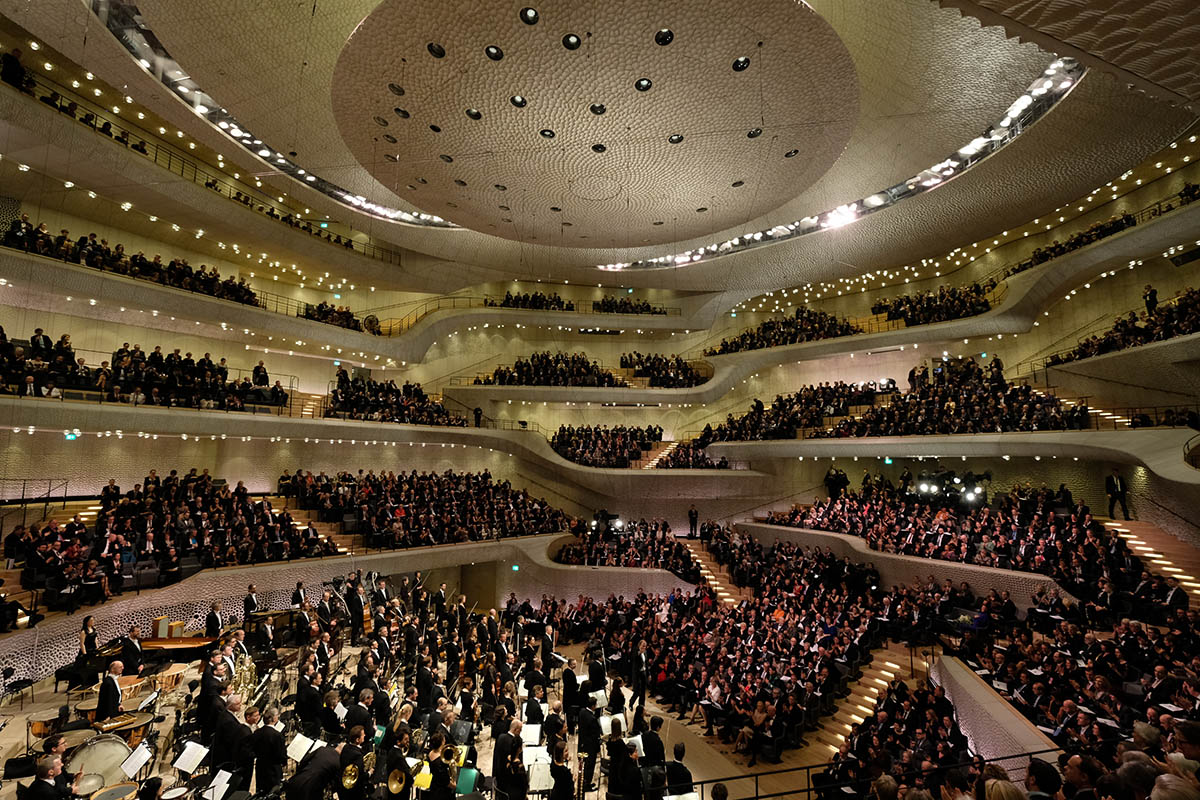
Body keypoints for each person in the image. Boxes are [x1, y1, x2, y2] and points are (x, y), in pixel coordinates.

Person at [249, 706, 287, 792]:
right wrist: (284, 762)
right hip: (273, 770)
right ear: (273, 718)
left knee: (261, 791)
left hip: (260, 767)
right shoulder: (277, 735)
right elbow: (281, 755)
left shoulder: (257, 732)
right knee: (273, 792)